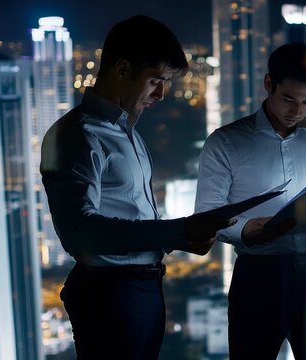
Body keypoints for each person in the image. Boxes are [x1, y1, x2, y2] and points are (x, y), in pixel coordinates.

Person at [40, 15, 234, 359]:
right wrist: (175, 230)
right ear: (121, 69)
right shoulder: (77, 135)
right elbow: (79, 232)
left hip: (139, 288)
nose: (161, 94)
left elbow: (130, 215)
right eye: (155, 81)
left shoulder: (127, 131)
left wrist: (181, 238)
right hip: (110, 294)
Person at [195, 43, 306, 359]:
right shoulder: (227, 142)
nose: (297, 110)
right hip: (259, 275)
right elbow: (207, 213)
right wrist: (246, 231)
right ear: (268, 84)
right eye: (289, 99)